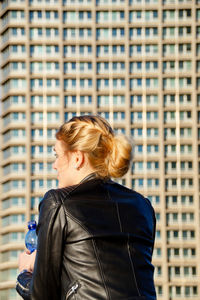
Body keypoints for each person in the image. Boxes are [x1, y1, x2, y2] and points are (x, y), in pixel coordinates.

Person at [16, 115, 156, 300]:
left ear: (77, 158)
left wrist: (25, 273)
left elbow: (41, 295)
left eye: (56, 155)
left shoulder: (58, 202)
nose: (54, 165)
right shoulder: (143, 207)